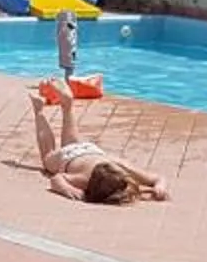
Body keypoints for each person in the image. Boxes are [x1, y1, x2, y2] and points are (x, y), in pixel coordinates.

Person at [31, 84, 169, 204]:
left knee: (71, 143)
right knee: (48, 157)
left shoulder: (122, 169)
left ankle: (63, 105)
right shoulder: (85, 179)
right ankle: (41, 111)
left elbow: (158, 179)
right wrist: (67, 189)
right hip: (72, 156)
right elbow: (56, 178)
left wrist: (160, 186)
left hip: (84, 153)